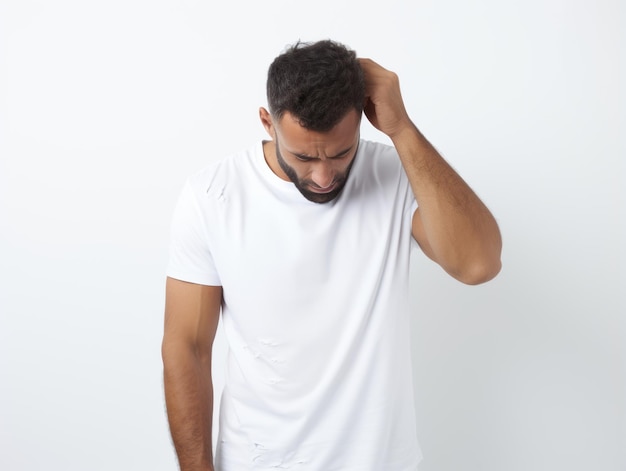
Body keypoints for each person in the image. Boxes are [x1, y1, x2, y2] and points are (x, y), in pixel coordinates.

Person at [162, 39, 502, 471]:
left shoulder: (396, 176)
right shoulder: (212, 195)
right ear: (267, 122)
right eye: (303, 156)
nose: (323, 176)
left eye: (342, 153)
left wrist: (402, 128)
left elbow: (478, 264)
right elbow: (187, 348)